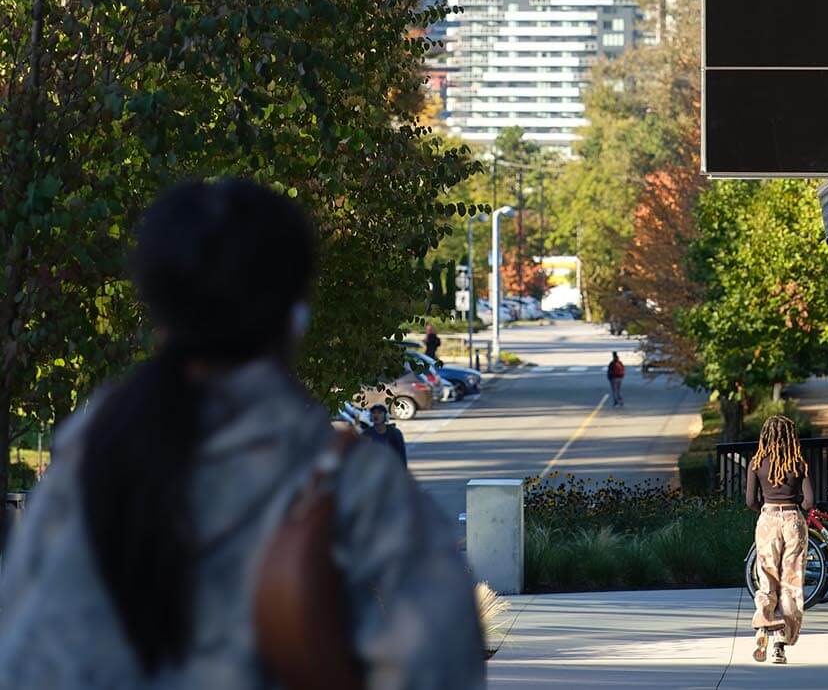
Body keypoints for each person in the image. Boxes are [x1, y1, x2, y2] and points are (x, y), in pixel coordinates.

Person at [0, 178, 485, 688]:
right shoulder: (348, 482)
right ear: (296, 314)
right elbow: (444, 659)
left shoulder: (88, 458)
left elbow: (21, 650)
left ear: (156, 310)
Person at [746, 415, 816, 666]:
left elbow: (750, 501)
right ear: (790, 436)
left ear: (765, 435)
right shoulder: (798, 463)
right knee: (791, 582)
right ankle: (780, 645)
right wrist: (794, 504)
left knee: (767, 579)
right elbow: (809, 502)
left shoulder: (756, 462)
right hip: (793, 522)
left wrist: (767, 511)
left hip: (768, 519)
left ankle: (763, 626)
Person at [366, 401, 408, 466]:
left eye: (379, 413)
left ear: (385, 416)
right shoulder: (367, 434)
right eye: (374, 413)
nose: (376, 415)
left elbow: (401, 456)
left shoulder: (395, 433)